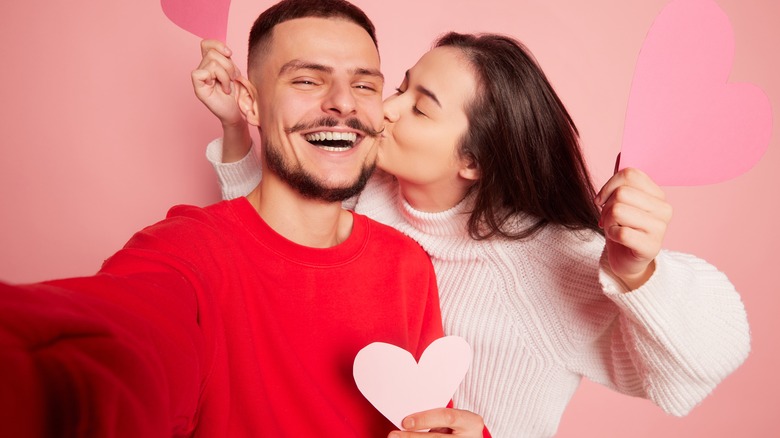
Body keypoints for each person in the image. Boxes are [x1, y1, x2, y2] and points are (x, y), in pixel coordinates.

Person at [195, 28, 751, 437]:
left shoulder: (545, 258)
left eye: (419, 107)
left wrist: (640, 271)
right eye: (402, 87)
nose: (385, 109)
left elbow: (710, 357)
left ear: (474, 161)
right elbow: (266, 242)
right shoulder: (364, 193)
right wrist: (235, 127)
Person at [0, 1, 465, 436]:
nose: (344, 102)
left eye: (364, 85)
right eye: (307, 80)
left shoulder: (408, 265)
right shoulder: (184, 251)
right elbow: (111, 347)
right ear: (250, 103)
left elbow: (430, 417)